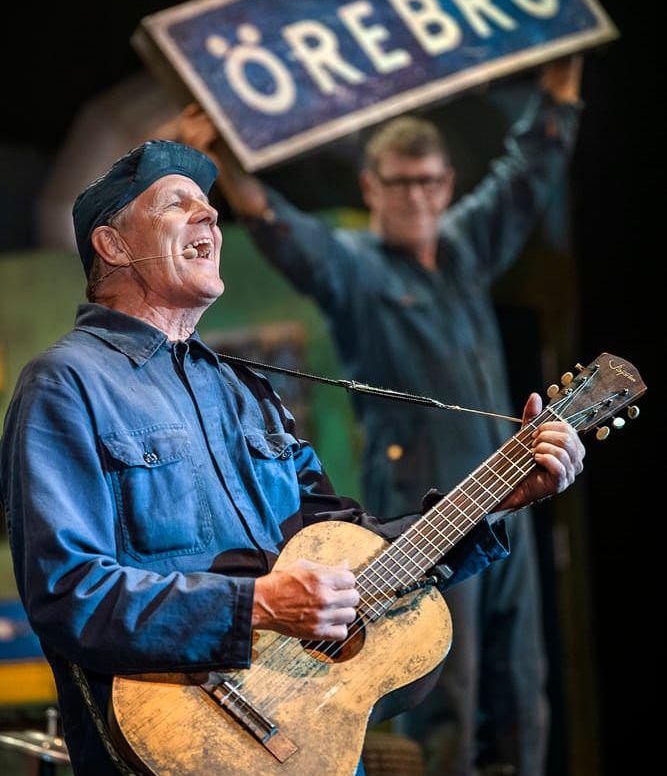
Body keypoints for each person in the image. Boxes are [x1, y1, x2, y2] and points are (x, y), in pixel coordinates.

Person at [0, 141, 584, 775]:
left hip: (312, 747)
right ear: (112, 246)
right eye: (178, 204)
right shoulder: (65, 383)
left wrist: (497, 498)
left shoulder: (248, 393)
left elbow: (351, 552)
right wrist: (257, 605)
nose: (211, 217)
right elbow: (68, 595)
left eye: (210, 206)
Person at [175, 55, 583, 775]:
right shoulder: (355, 266)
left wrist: (558, 89)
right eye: (398, 183)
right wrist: (221, 161)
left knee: (522, 688)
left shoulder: (461, 250)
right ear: (371, 187)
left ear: (445, 184)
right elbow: (281, 228)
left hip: (500, 506)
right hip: (414, 516)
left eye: (428, 181)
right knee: (439, 695)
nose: (416, 197)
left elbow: (525, 178)